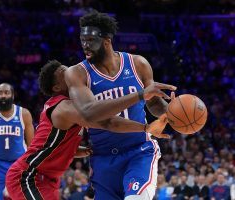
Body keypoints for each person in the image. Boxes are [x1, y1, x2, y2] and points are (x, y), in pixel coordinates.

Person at [6, 60, 172, 200]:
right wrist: (145, 127)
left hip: (47, 179)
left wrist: (75, 150)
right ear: (57, 88)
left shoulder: (74, 104)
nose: (71, 71)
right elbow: (107, 122)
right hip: (28, 176)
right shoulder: (64, 107)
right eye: (65, 72)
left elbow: (50, 143)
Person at [64, 10, 176, 200]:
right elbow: (89, 112)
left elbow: (154, 102)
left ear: (106, 41)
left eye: (90, 40)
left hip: (139, 150)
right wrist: (139, 94)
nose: (85, 45)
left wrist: (171, 113)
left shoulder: (137, 63)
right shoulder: (77, 73)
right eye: (82, 39)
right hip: (103, 157)